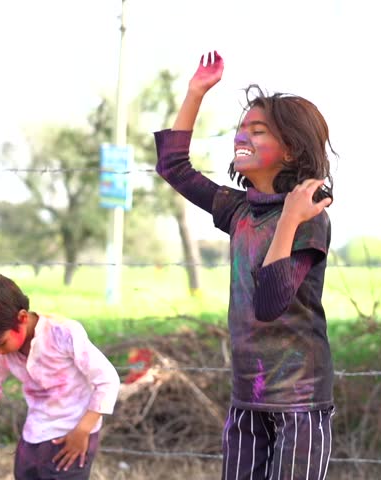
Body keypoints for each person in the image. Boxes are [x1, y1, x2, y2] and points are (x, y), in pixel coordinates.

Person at [154, 51, 336, 480]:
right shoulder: (240, 211)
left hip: (299, 403)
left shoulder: (309, 219)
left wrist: (289, 219)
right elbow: (172, 166)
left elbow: (270, 302)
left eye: (258, 131)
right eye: (242, 128)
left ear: (291, 150)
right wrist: (196, 92)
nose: (242, 136)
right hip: (247, 397)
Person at [0, 272, 120, 480]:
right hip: (33, 437)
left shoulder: (63, 334)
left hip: (71, 439)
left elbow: (108, 380)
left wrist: (83, 431)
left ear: (22, 318)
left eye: (1, 343)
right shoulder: (2, 353)